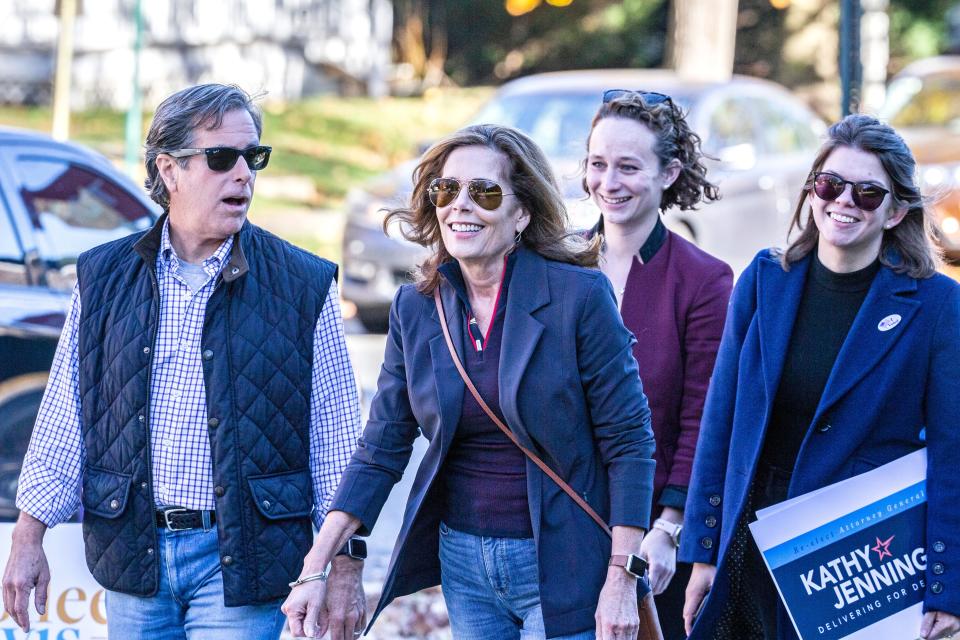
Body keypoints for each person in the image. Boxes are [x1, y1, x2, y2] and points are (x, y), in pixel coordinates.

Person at [1, 84, 365, 640]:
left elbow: (338, 442)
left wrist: (341, 567)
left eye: (254, 157)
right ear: (168, 169)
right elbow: (64, 418)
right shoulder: (102, 277)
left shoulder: (304, 284)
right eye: (222, 158)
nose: (243, 174)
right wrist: (28, 536)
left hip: (244, 563)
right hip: (135, 561)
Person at [281, 123, 657, 640]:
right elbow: (382, 444)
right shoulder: (416, 307)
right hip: (465, 565)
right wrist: (318, 565)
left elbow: (630, 442)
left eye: (484, 192)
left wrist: (621, 575)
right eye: (446, 189)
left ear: (521, 211)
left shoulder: (579, 297)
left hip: (564, 560)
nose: (460, 204)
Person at [680, 114, 960, 640]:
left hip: (859, 557)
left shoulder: (938, 305)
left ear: (897, 210)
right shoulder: (764, 280)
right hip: (751, 541)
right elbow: (721, 424)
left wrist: (949, 588)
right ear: (812, 193)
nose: (844, 201)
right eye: (830, 184)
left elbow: (954, 453)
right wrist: (702, 551)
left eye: (869, 193)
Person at [582, 89, 733, 639]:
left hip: (653, 535)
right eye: (598, 164)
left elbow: (704, 417)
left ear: (669, 173)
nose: (608, 182)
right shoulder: (555, 264)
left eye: (628, 166)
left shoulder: (704, 280)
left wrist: (670, 526)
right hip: (561, 524)